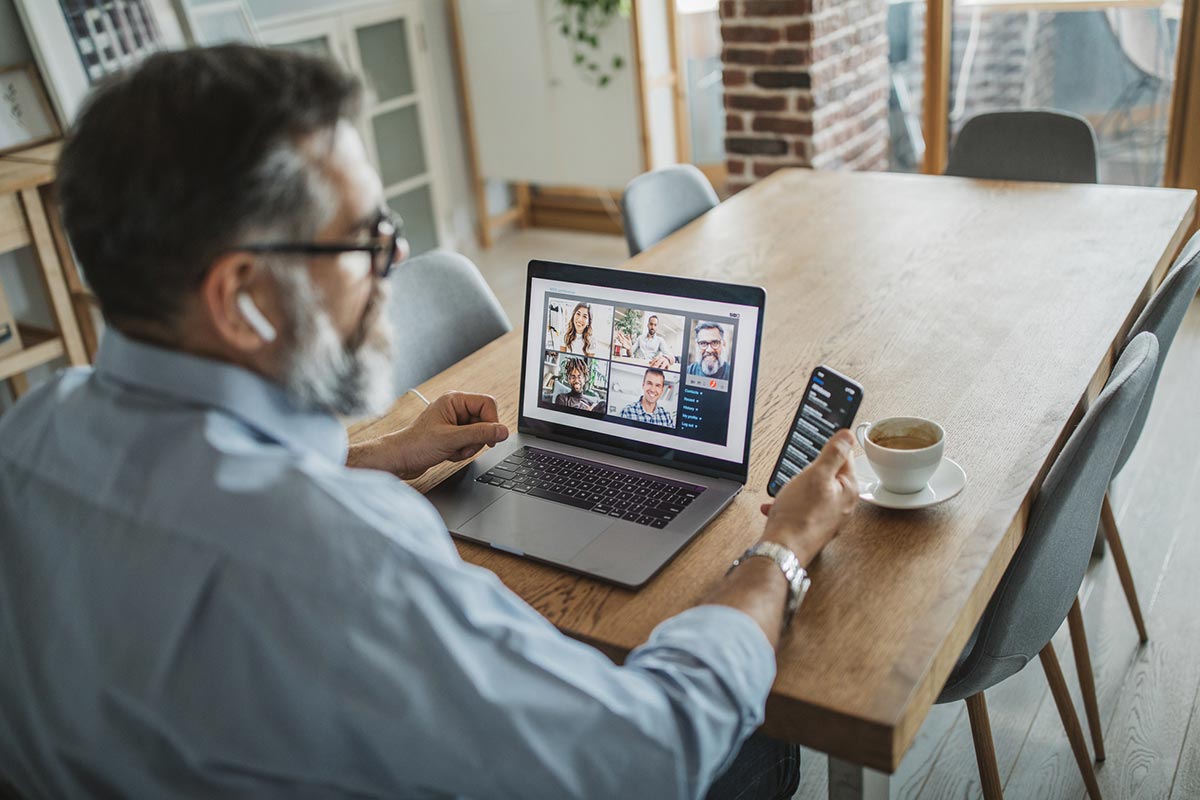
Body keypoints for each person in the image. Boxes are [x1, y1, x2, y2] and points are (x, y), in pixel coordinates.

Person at [0, 46, 860, 799]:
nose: (396, 259)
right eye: (365, 236)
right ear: (241, 300)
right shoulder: (344, 560)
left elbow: (192, 496)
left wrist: (373, 455)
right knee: (761, 729)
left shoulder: (33, 435)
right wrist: (778, 552)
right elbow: (648, 755)